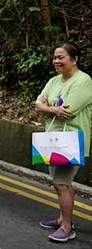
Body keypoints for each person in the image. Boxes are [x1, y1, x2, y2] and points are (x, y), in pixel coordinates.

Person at [35, 42, 92, 242]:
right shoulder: (53, 81)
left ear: (74, 60)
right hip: (53, 139)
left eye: (61, 57)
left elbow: (69, 110)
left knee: (61, 183)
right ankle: (62, 219)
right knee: (60, 183)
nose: (56, 61)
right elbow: (38, 104)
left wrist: (47, 107)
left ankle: (67, 227)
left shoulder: (83, 81)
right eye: (55, 57)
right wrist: (53, 109)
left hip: (71, 140)